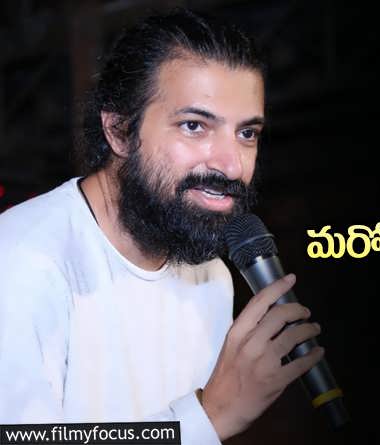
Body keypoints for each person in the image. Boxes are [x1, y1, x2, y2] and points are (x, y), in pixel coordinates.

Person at [0, 8, 324, 444]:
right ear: (119, 131)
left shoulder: (210, 276)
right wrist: (211, 417)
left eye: (246, 134)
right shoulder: (20, 261)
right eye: (195, 126)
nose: (232, 165)